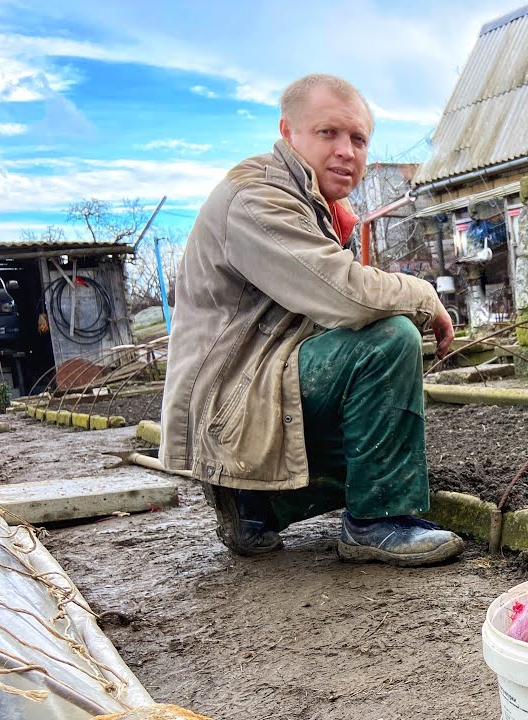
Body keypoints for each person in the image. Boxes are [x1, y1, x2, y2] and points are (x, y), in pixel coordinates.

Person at [159, 74, 463, 567]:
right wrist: (425, 296)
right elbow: (345, 295)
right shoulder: (257, 198)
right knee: (388, 341)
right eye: (328, 133)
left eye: (358, 139)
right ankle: (375, 520)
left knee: (382, 431)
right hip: (233, 403)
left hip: (260, 386)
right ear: (288, 132)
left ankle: (256, 504)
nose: (346, 150)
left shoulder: (319, 207)